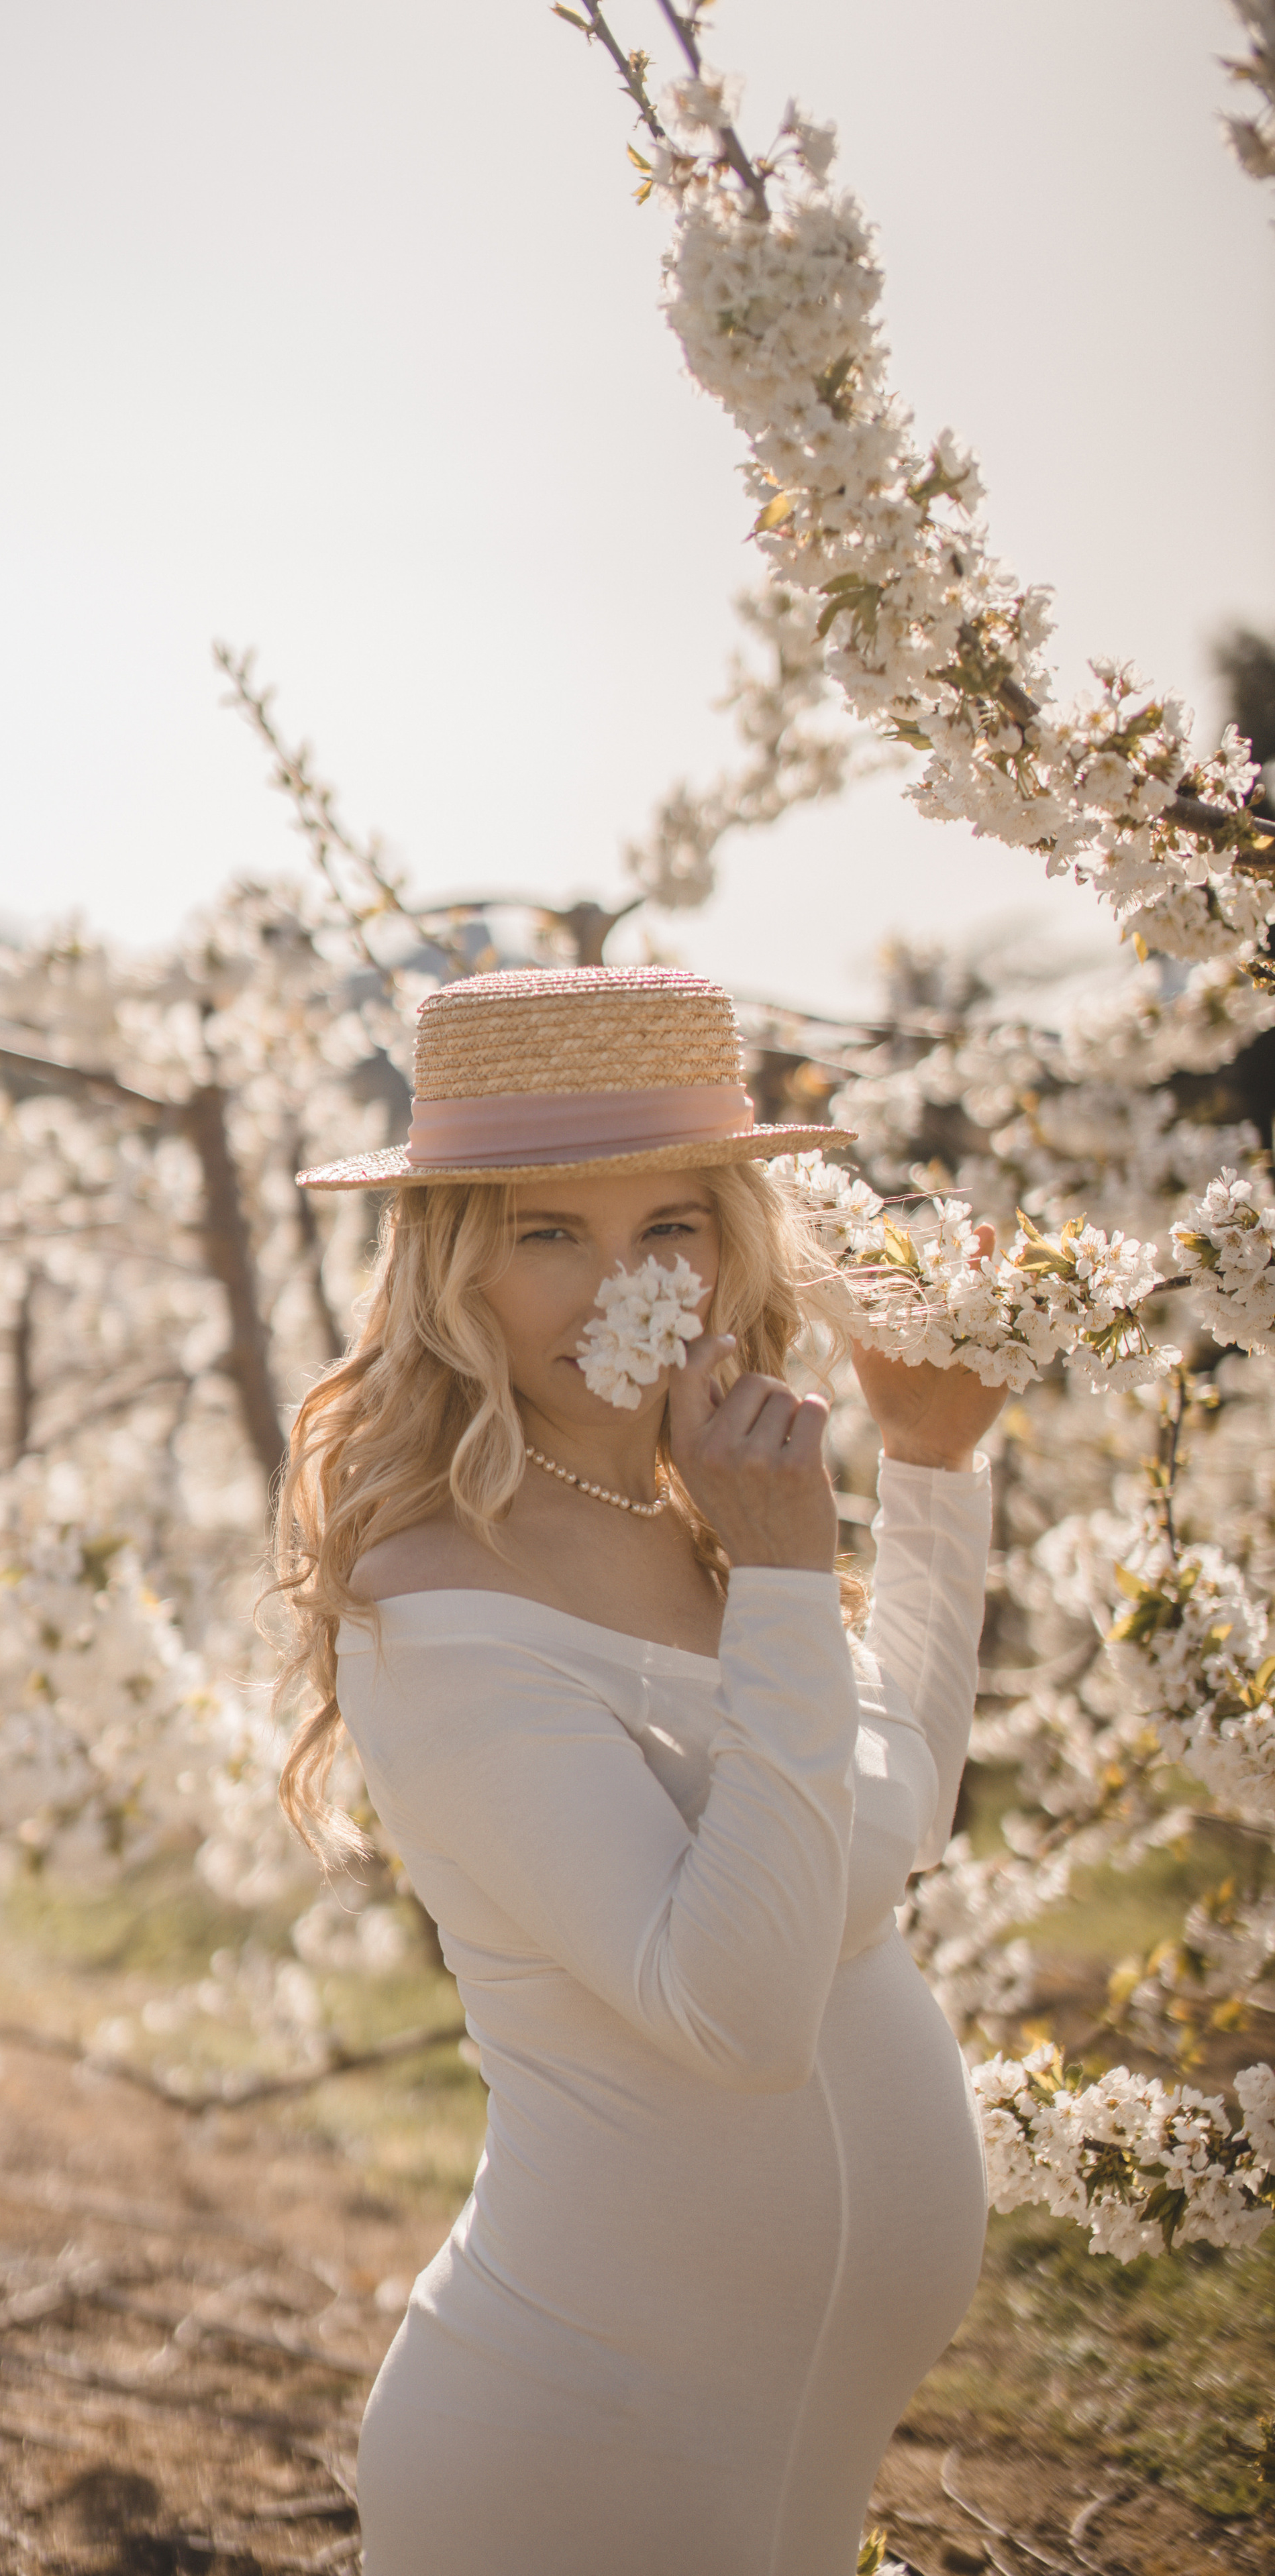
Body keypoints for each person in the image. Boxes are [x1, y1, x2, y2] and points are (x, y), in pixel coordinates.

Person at [276, 966, 1006, 2576]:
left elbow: (885, 1830)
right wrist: (789, 1585)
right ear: (454, 1263)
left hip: (795, 2458)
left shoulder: (708, 1513)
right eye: (550, 1235)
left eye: (666, 1227)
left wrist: (933, 1476)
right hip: (572, 2462)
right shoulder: (434, 1598)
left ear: (727, 1242)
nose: (623, 1288)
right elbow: (733, 2018)